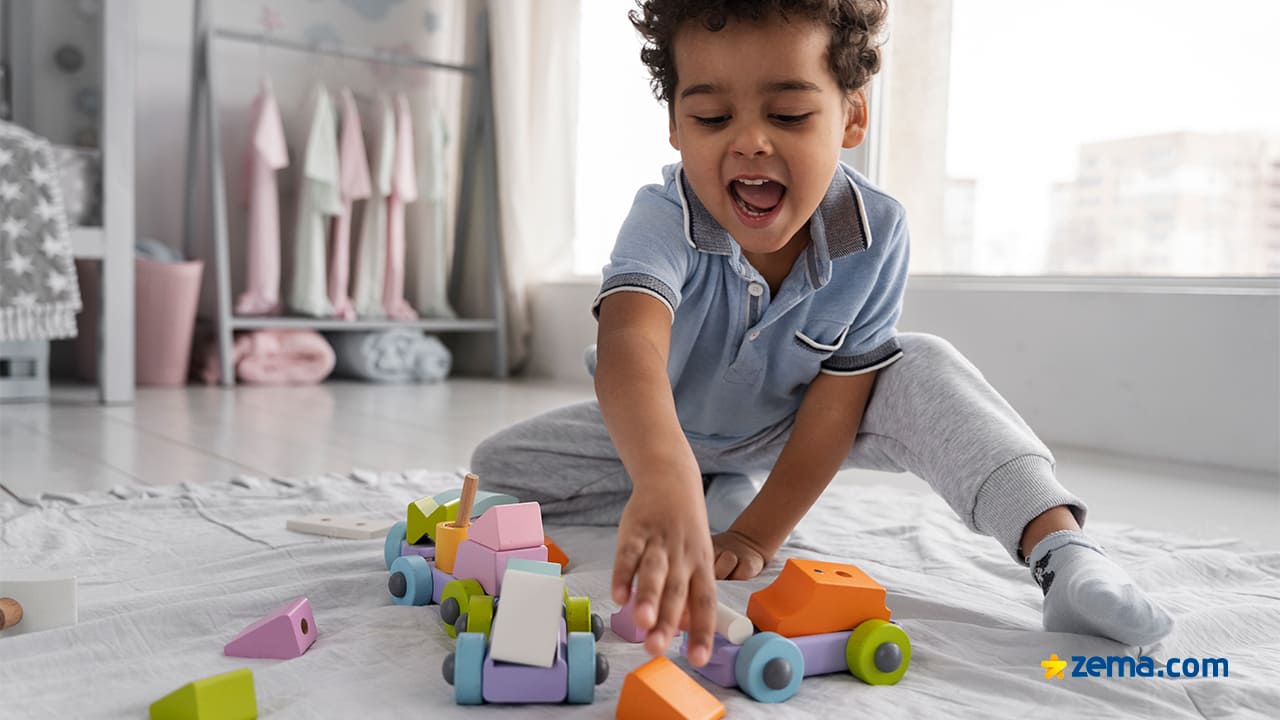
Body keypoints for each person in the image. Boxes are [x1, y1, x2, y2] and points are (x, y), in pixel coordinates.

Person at [472, 0, 1172, 668]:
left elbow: (835, 409)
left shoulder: (878, 232)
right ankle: (709, 486)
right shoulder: (663, 216)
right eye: (713, 117)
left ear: (851, 117)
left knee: (923, 363)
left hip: (789, 423)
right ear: (677, 128)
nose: (749, 140)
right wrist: (664, 472)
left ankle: (1065, 557)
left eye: (788, 113)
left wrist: (755, 534)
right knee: (495, 466)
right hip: (660, 423)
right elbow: (630, 344)